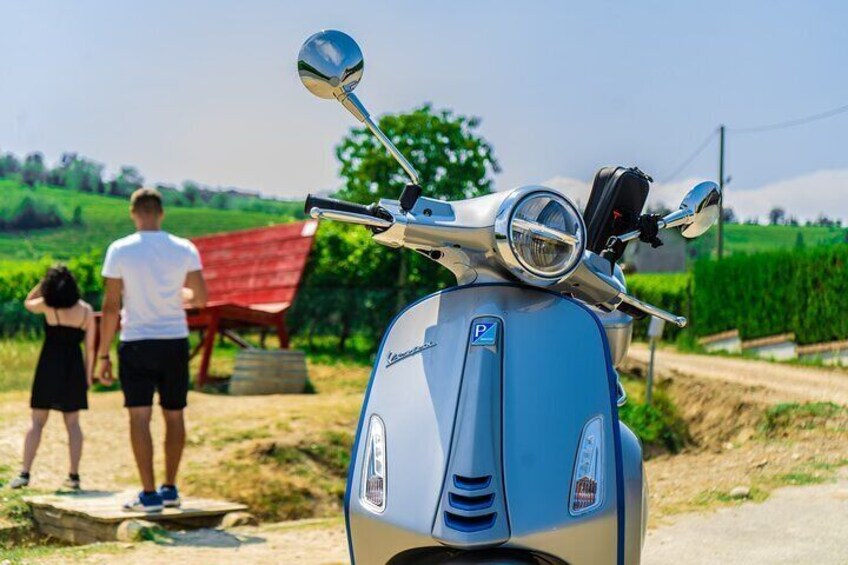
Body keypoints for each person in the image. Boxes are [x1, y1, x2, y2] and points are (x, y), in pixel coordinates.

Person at [96, 187, 207, 512]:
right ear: (161, 213)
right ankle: (170, 488)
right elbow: (200, 298)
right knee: (174, 415)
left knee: (140, 417)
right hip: (174, 341)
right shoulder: (184, 248)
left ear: (133, 213)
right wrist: (180, 294)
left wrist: (103, 354)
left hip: (137, 341)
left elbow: (111, 305)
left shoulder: (119, 250)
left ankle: (148, 495)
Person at [10, 266, 95, 490]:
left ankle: (25, 473)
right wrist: (88, 377)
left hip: (49, 365)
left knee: (37, 422)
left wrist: (41, 284)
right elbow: (90, 348)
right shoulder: (86, 311)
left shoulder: (48, 305)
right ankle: (74, 476)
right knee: (73, 424)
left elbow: (28, 303)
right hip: (73, 367)